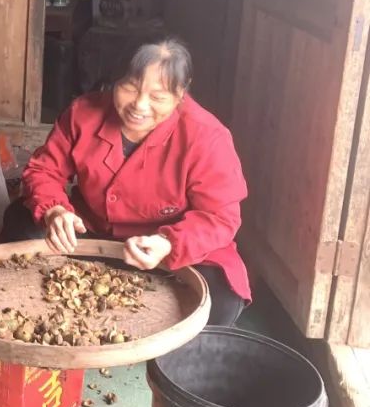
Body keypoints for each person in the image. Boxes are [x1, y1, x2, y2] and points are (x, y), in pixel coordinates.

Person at [21, 36, 250, 325]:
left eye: (158, 97)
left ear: (181, 92)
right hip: (91, 233)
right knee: (22, 226)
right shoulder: (83, 113)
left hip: (161, 248)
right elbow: (44, 171)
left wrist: (168, 243)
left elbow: (220, 217)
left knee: (220, 301)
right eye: (129, 88)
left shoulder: (207, 136)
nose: (139, 106)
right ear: (114, 81)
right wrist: (56, 211)